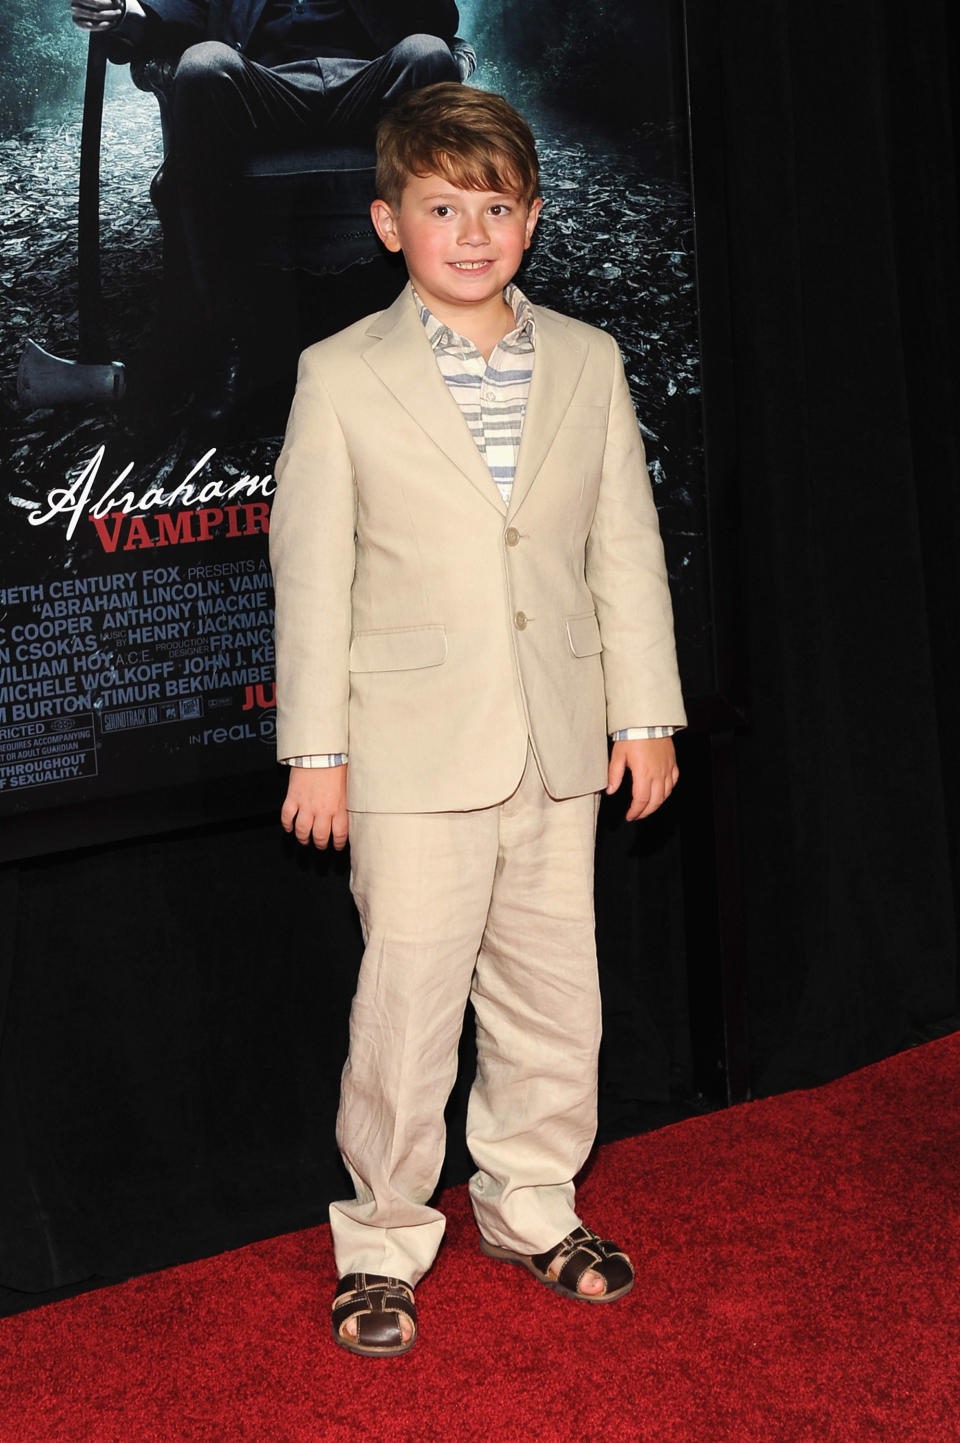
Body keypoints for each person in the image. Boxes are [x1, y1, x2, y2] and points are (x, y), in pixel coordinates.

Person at [269, 81, 687, 1357]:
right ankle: (384, 1240)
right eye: (442, 207)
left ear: (533, 219)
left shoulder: (589, 360)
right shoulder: (340, 375)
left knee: (556, 996)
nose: (469, 231)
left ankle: (532, 1205)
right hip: (407, 754)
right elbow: (313, 571)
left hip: (559, 741)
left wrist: (646, 713)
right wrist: (317, 752)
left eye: (494, 207)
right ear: (391, 222)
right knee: (408, 1005)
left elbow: (624, 545)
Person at [69, 0, 471, 417]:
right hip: (266, 92)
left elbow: (437, 20)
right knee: (204, 63)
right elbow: (180, 13)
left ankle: (437, 331)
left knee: (425, 53)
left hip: (367, 88)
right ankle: (219, 346)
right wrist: (124, 13)